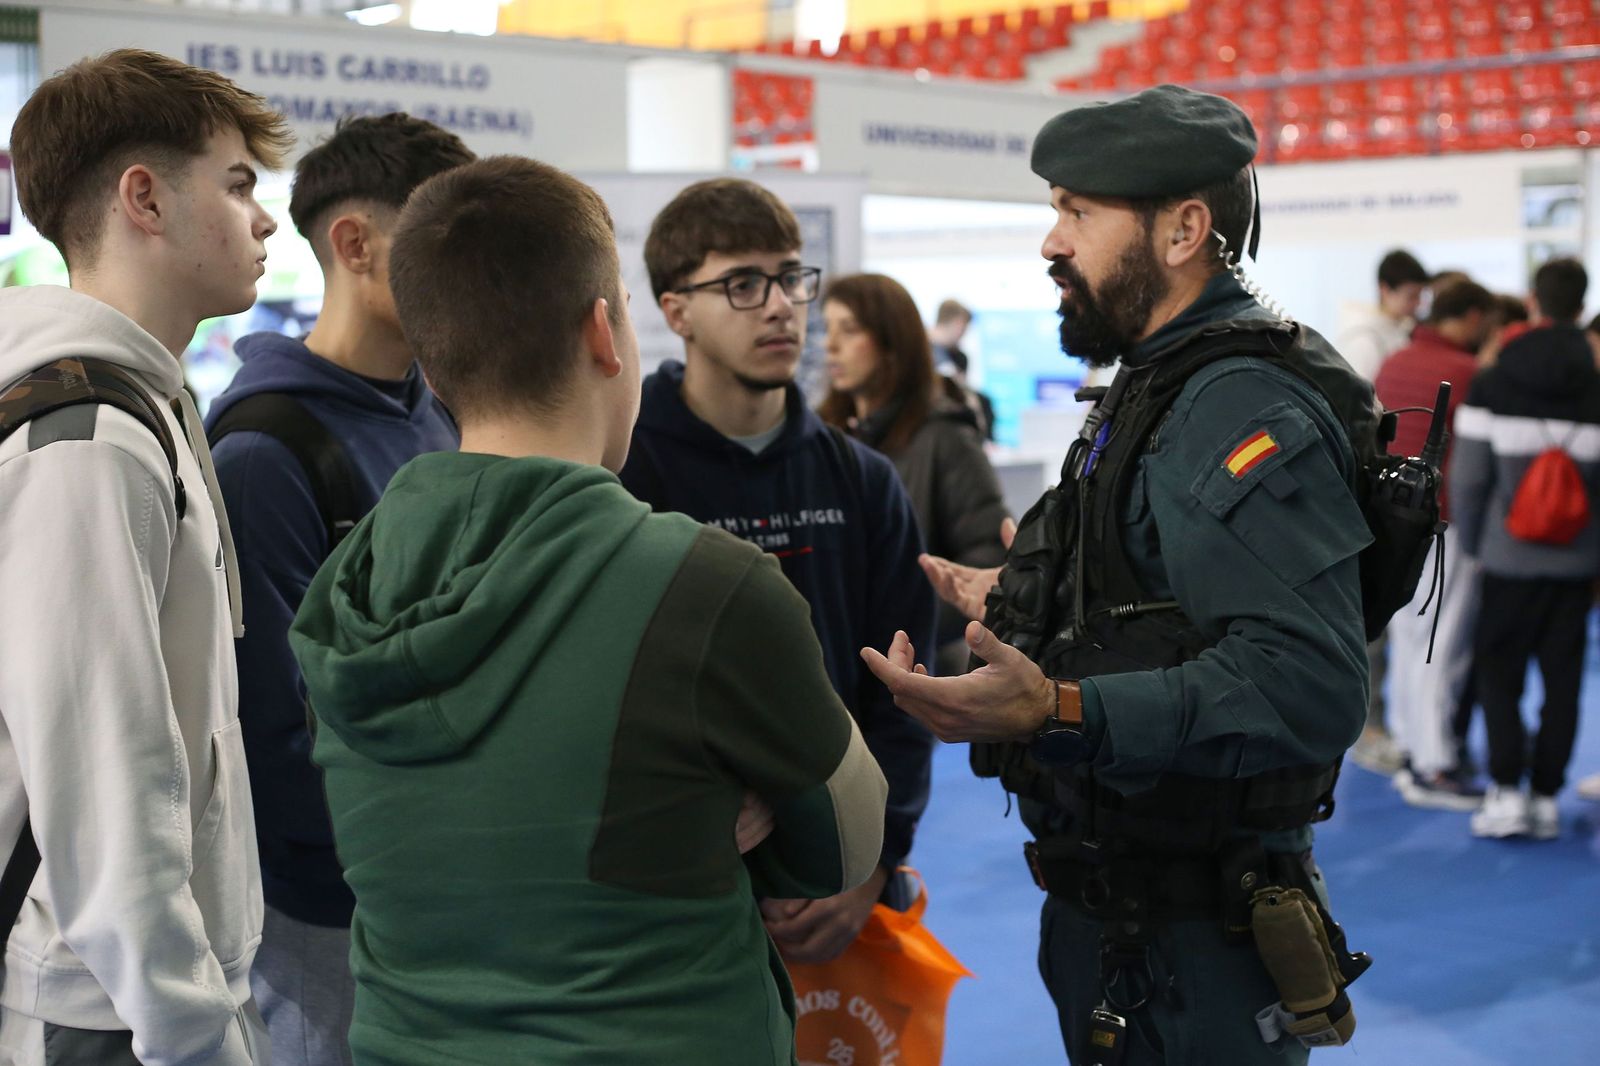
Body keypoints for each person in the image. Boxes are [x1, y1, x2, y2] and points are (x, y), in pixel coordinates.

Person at [288, 156, 888, 1064]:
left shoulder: (348, 585)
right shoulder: (706, 585)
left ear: (438, 365)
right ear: (607, 334)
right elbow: (845, 841)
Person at [863, 85, 1376, 1064]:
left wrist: (1058, 709)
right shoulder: (1157, 382)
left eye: (1077, 211)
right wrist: (1023, 601)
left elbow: (1310, 684)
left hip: (1193, 947)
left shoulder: (1232, 410)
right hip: (1133, 924)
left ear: (1185, 230)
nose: (1051, 242)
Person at [0, 49, 288, 1064]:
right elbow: (103, 774)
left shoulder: (141, 408)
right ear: (144, 198)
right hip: (102, 1008)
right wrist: (192, 1031)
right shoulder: (85, 437)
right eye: (240, 184)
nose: (265, 221)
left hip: (142, 995)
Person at [204, 113, 473, 1066]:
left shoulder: (443, 419)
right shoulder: (263, 454)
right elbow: (273, 738)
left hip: (447, 886)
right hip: (329, 907)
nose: (472, 273)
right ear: (356, 245)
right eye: (449, 243)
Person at [619, 178, 938, 965]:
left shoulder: (861, 480)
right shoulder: (623, 474)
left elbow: (903, 691)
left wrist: (872, 863)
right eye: (742, 283)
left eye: (791, 277)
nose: (780, 306)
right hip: (673, 886)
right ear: (675, 310)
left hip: (841, 869)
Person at [1454, 257, 1600, 841]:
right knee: (1563, 679)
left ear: (1535, 300)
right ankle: (1545, 796)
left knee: (1499, 673)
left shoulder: (1493, 379)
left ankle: (1507, 792)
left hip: (1507, 558)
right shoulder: (1596, 384)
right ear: (1582, 304)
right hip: (1577, 561)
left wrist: (1474, 541)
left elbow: (1466, 478)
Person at [818, 273, 1010, 676]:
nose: (829, 344)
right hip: (830, 668)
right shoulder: (822, 437)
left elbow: (987, 558)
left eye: (849, 330)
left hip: (916, 671)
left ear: (892, 343)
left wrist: (899, 626)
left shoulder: (945, 436)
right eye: (827, 328)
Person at [1374, 279, 1496, 811]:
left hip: (1391, 519)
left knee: (1409, 636)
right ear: (1472, 317)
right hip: (1446, 522)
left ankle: (1410, 746)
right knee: (1442, 646)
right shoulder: (1469, 375)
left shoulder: (1395, 361)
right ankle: (1435, 765)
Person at [1339, 249, 1430, 776]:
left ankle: (1380, 722)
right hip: (1367, 496)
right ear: (1386, 289)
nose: (1416, 305)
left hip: (1390, 494)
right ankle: (1367, 728)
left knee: (1390, 616)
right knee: (1371, 619)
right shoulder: (1363, 342)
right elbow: (1359, 424)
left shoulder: (1396, 336)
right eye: (1411, 294)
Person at [930, 298, 996, 439]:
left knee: (983, 400)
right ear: (958, 324)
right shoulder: (924, 350)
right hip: (934, 410)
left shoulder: (960, 358)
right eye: (965, 329)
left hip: (955, 407)